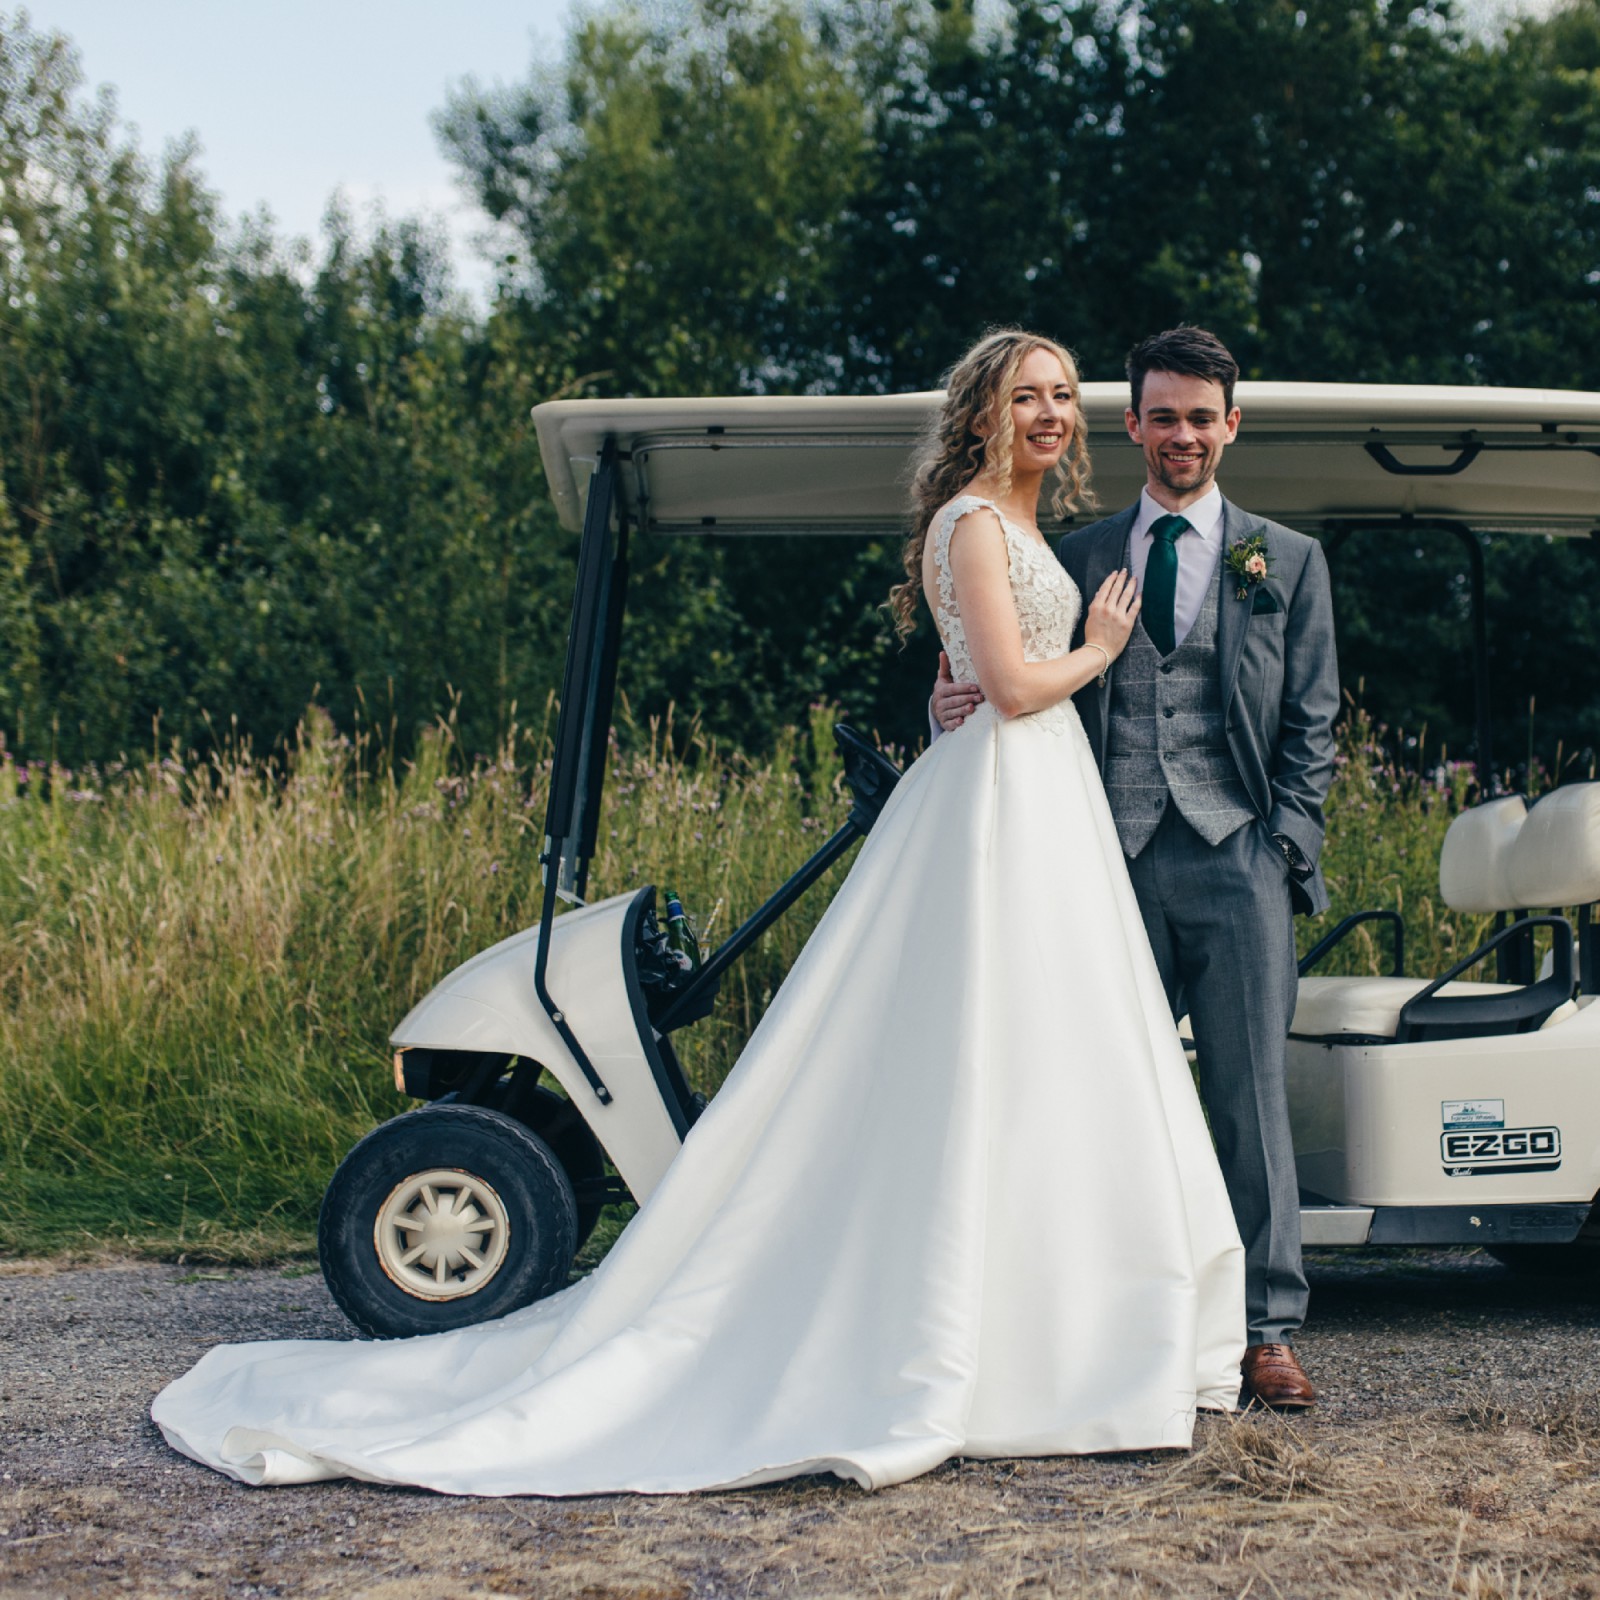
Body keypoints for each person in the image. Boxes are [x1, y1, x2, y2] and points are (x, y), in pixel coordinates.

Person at [152, 329, 1244, 1498]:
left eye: (1064, 396)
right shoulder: (973, 523)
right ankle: (990, 1348)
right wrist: (1098, 648)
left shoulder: (1017, 527)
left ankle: (1055, 1335)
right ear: (982, 411)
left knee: (1045, 1064)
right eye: (1027, 394)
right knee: (981, 1053)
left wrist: (972, 690)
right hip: (1005, 797)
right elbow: (1020, 686)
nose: (1051, 412)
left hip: (1031, 804)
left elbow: (975, 685)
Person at [933, 326, 1339, 1410]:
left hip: (1235, 862)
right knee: (1099, 1100)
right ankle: (1121, 1324)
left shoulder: (1285, 560)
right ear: (1133, 426)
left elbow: (1313, 722)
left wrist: (1284, 844)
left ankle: (1265, 1330)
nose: (1182, 435)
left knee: (1248, 1101)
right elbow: (1011, 662)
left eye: (1201, 416)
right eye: (1162, 415)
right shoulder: (1074, 549)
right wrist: (950, 695)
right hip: (1097, 861)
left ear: (1230, 426)